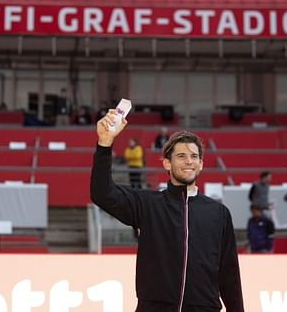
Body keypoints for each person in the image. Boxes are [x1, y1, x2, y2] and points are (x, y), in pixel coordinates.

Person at [91, 110, 244, 312]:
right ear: (167, 163)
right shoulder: (148, 204)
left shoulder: (219, 213)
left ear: (201, 164)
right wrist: (104, 144)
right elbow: (102, 193)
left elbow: (229, 275)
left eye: (194, 156)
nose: (189, 161)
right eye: (181, 156)